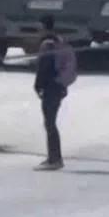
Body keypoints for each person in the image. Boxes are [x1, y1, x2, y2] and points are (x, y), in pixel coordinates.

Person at [33, 15, 68, 171]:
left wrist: (37, 86)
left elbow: (43, 68)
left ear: (43, 26)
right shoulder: (58, 40)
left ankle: (54, 159)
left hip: (50, 88)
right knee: (51, 123)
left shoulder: (46, 44)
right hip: (58, 86)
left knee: (50, 123)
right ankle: (54, 157)